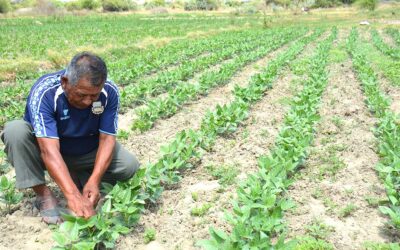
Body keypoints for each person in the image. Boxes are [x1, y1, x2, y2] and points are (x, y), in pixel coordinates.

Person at [1, 52, 140, 224]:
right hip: (50, 151)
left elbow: (107, 139)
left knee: (128, 166)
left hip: (86, 149)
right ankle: (43, 194)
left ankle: (81, 178)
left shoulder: (109, 91)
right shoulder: (45, 92)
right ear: (65, 82)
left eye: (93, 96)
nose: (88, 101)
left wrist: (95, 180)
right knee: (15, 130)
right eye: (82, 95)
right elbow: (48, 150)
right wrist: (72, 195)